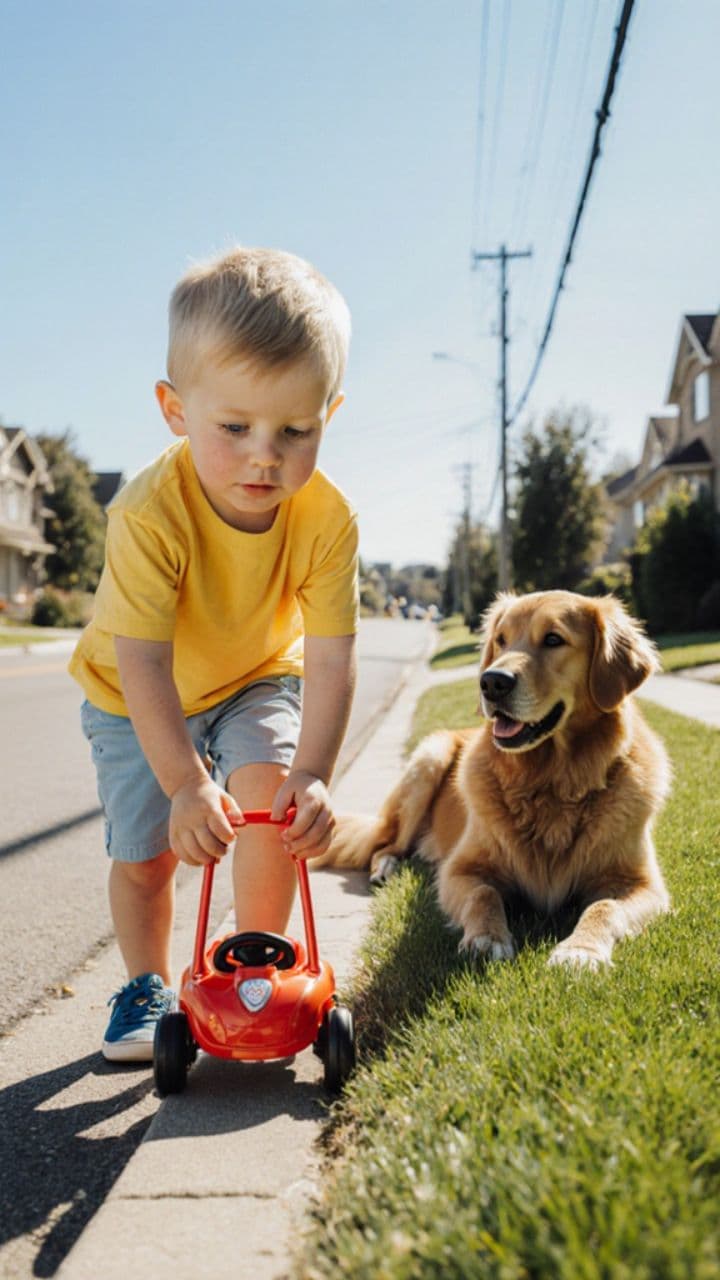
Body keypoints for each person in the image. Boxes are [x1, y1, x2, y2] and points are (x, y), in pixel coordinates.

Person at [70, 246, 358, 1061]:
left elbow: (332, 660)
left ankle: (257, 970)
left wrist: (314, 773)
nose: (265, 455)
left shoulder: (327, 520)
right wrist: (186, 784)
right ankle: (144, 984)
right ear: (175, 410)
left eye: (294, 431)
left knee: (272, 795)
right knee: (150, 851)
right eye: (234, 428)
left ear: (326, 417)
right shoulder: (148, 514)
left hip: (254, 676)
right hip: (135, 695)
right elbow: (144, 665)